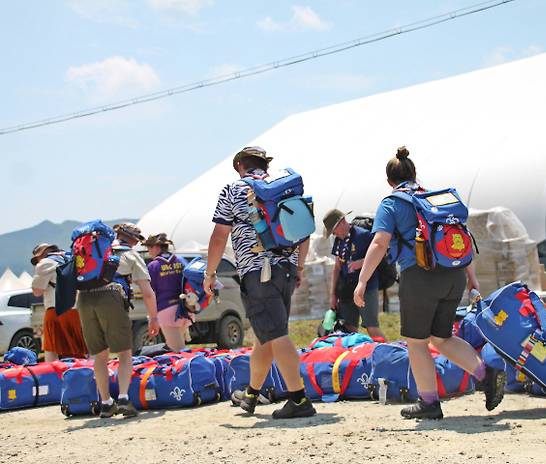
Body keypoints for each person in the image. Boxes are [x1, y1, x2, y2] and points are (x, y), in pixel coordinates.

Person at [353, 146, 505, 420]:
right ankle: (485, 373)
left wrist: (362, 281)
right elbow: (460, 240)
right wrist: (472, 281)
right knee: (442, 336)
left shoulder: (392, 203)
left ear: (390, 181)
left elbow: (379, 243)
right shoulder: (437, 200)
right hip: (453, 276)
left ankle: (429, 402)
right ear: (415, 174)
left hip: (420, 278)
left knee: (416, 342)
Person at [204, 146, 316, 419]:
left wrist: (210, 274)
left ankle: (299, 399)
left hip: (258, 271)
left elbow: (220, 235)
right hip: (286, 268)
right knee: (266, 336)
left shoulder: (233, 190)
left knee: (277, 335)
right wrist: (299, 266)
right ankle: (252, 394)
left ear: (240, 165)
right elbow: (304, 228)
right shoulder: (282, 187)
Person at [76, 223, 159, 418]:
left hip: (84, 299)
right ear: (133, 239)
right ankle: (123, 398)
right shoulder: (128, 254)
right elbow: (147, 292)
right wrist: (153, 317)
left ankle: (105, 403)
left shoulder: (91, 250)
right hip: (111, 296)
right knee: (124, 352)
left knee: (99, 355)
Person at [324, 209, 386, 341]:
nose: (334, 234)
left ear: (341, 222)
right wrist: (333, 295)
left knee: (371, 327)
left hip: (367, 287)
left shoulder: (363, 236)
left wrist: (362, 262)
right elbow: (337, 268)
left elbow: (381, 255)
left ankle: (391, 355)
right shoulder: (338, 241)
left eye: (333, 230)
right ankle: (353, 358)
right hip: (347, 290)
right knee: (349, 329)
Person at [30, 243, 87, 361]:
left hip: (54, 310)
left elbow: (37, 291)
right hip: (75, 310)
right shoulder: (70, 259)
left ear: (42, 254)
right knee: (76, 349)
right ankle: (81, 374)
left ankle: (53, 376)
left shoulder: (45, 263)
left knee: (51, 348)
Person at [143, 233, 189, 352]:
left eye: (149, 248)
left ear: (156, 247)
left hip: (166, 311)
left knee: (178, 351)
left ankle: (190, 369)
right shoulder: (181, 260)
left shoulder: (153, 266)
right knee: (178, 346)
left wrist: (152, 316)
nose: (148, 251)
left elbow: (150, 292)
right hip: (185, 308)